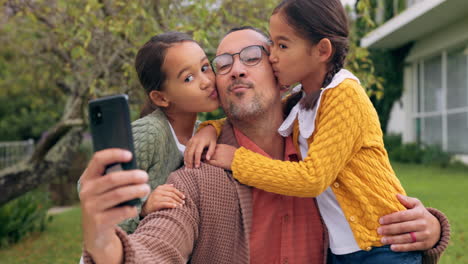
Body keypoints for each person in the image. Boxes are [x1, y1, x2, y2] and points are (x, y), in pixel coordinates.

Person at [79, 27, 449, 264]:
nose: (236, 69)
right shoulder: (194, 176)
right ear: (218, 89)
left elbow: (376, 201)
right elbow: (159, 245)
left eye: (253, 57)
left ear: (282, 76)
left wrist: (429, 228)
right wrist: (106, 245)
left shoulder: (323, 150)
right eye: (221, 64)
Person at [185, 1, 450, 263]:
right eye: (222, 64)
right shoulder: (303, 103)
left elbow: (313, 178)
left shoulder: (343, 95)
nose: (274, 55)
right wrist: (210, 128)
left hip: (379, 243)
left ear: (322, 50)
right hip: (343, 250)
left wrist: (238, 160)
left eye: (280, 46)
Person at [79, 32, 219, 234]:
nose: (206, 81)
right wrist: (143, 205)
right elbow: (87, 186)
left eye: (205, 67)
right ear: (161, 98)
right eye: (188, 78)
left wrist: (212, 129)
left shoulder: (200, 130)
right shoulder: (151, 133)